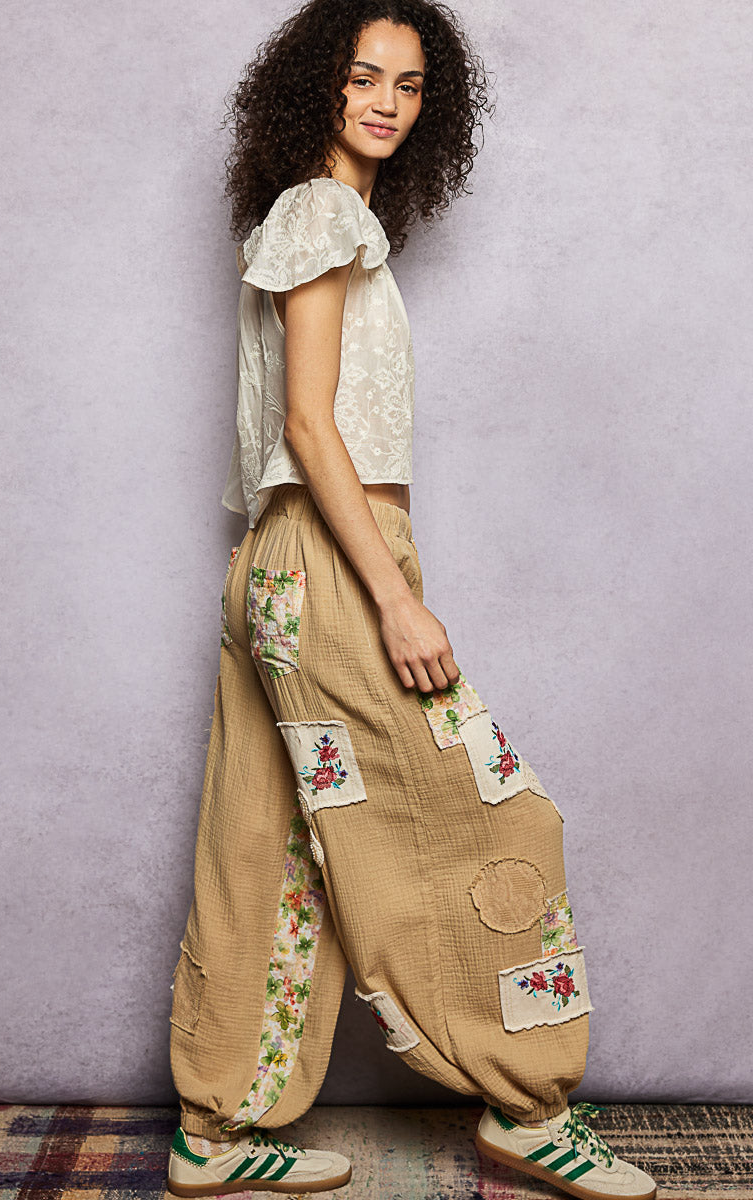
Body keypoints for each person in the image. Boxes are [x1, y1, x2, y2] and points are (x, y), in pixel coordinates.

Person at [166, 2, 659, 1197]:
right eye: (361, 77)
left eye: (410, 83)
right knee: (488, 818)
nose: (386, 101)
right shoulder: (321, 212)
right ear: (316, 88)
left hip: (279, 565)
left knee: (266, 845)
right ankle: (523, 1102)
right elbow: (306, 425)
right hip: (335, 562)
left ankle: (215, 1129)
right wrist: (390, 597)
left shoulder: (317, 217)